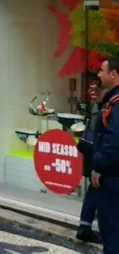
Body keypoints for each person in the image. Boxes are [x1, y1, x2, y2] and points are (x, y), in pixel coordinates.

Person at [92, 56, 119, 250]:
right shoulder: (111, 99)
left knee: (111, 233)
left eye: (102, 70)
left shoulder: (116, 103)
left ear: (113, 74)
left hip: (113, 178)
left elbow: (113, 143)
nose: (99, 74)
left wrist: (98, 166)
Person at [77, 81, 103, 244]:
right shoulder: (102, 101)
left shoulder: (100, 101)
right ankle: (85, 227)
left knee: (95, 190)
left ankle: (85, 226)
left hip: (93, 150)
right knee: (96, 188)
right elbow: (98, 129)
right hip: (96, 152)